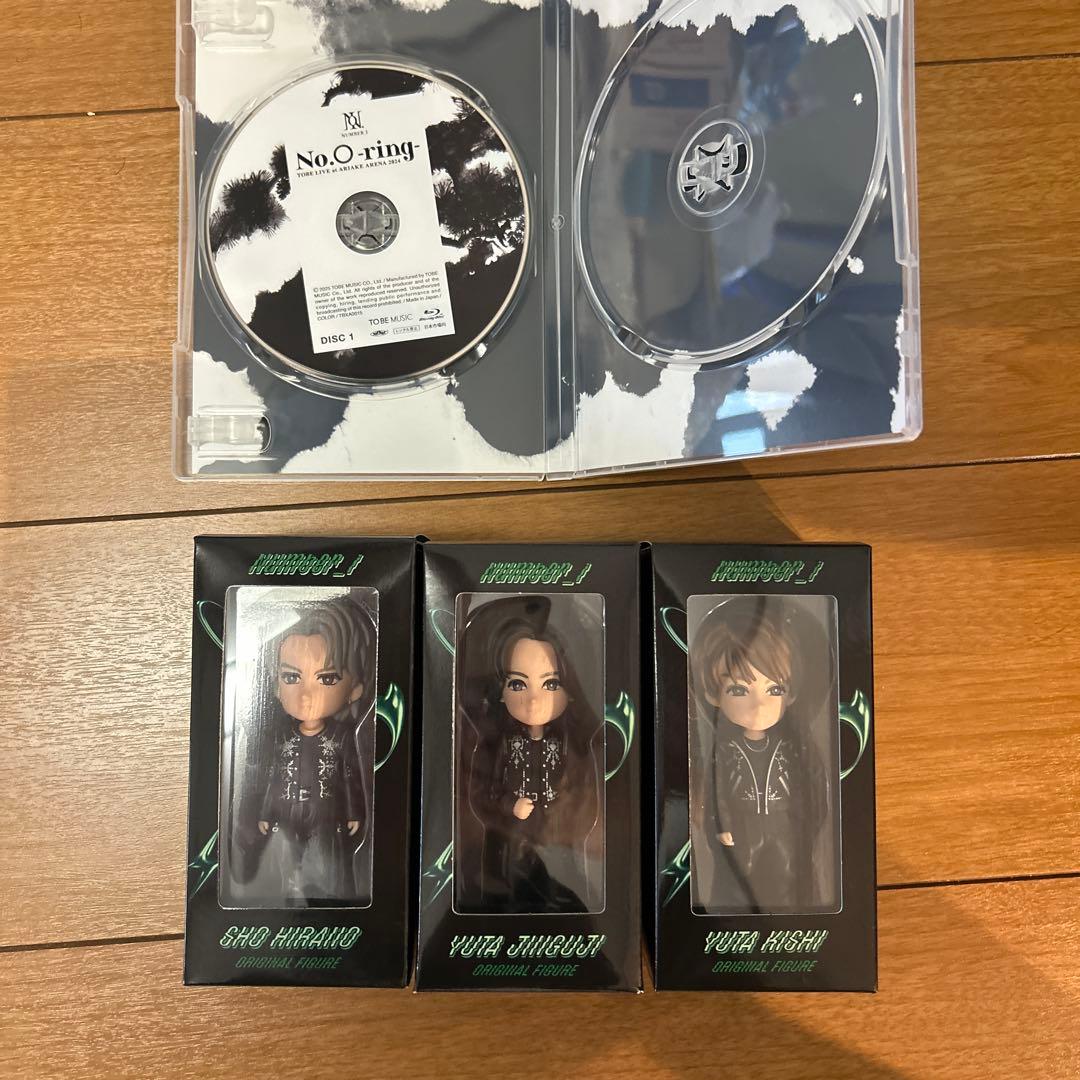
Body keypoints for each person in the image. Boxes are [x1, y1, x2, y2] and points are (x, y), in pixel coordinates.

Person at [691, 595, 829, 913]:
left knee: (791, 885)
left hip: (786, 825)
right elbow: (715, 790)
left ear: (791, 694)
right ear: (712, 693)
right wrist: (720, 826)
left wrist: (809, 822)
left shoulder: (794, 746)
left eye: (775, 689)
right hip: (741, 827)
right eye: (739, 690)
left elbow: (814, 782)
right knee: (734, 886)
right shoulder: (725, 749)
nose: (759, 706)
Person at [255, 595, 375, 904]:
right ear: (276, 685)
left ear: (355, 689)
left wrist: (353, 812)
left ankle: (328, 899)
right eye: (291, 677)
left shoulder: (343, 736)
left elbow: (350, 777)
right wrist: (266, 812)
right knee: (284, 863)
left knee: (326, 863)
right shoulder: (283, 736)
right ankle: (290, 895)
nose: (306, 696)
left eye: (327, 678)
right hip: (286, 812)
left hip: (326, 812)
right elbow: (273, 777)